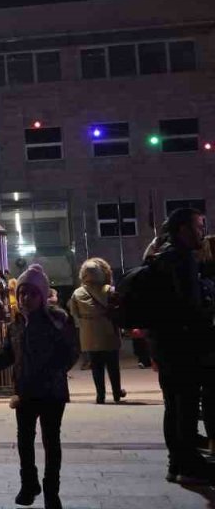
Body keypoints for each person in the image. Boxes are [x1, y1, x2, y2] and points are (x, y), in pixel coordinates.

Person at [0, 266, 79, 509]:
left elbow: (71, 352)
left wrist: (52, 372)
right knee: (24, 440)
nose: (25, 298)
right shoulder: (17, 324)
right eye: (22, 293)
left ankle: (52, 491)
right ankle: (29, 483)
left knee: (51, 441)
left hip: (52, 392)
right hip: (25, 391)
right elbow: (7, 355)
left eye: (31, 293)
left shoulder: (57, 320)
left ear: (41, 295)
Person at [148, 207, 212, 484]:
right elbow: (191, 307)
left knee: (172, 406)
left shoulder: (160, 258)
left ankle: (176, 464)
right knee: (184, 408)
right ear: (183, 230)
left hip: (164, 345)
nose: (202, 231)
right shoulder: (182, 260)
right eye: (199, 226)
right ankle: (188, 465)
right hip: (184, 346)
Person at [67, 258, 125, 404]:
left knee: (96, 367)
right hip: (108, 333)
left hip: (89, 336)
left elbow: (74, 313)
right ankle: (117, 393)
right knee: (113, 366)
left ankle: (100, 395)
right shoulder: (109, 290)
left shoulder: (78, 293)